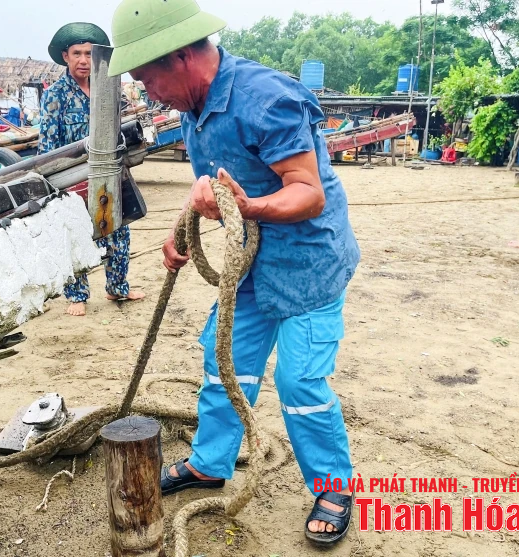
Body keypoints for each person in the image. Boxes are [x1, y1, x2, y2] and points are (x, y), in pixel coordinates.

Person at [108, 0, 361, 546]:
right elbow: (215, 187)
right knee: (223, 363)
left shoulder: (267, 98)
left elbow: (308, 193)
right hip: (248, 268)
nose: (146, 91)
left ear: (179, 57)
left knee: (300, 382)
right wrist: (181, 232)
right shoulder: (193, 107)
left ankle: (333, 485)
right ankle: (210, 462)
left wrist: (248, 209)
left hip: (307, 267)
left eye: (146, 78)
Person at [39, 22, 144, 317]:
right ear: (66, 56)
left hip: (109, 171)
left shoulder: (107, 87)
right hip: (73, 177)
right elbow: (48, 146)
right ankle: (77, 295)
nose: (84, 60)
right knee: (77, 235)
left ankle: (117, 288)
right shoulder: (55, 96)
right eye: (77, 54)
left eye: (88, 53)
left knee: (119, 230)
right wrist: (56, 184)